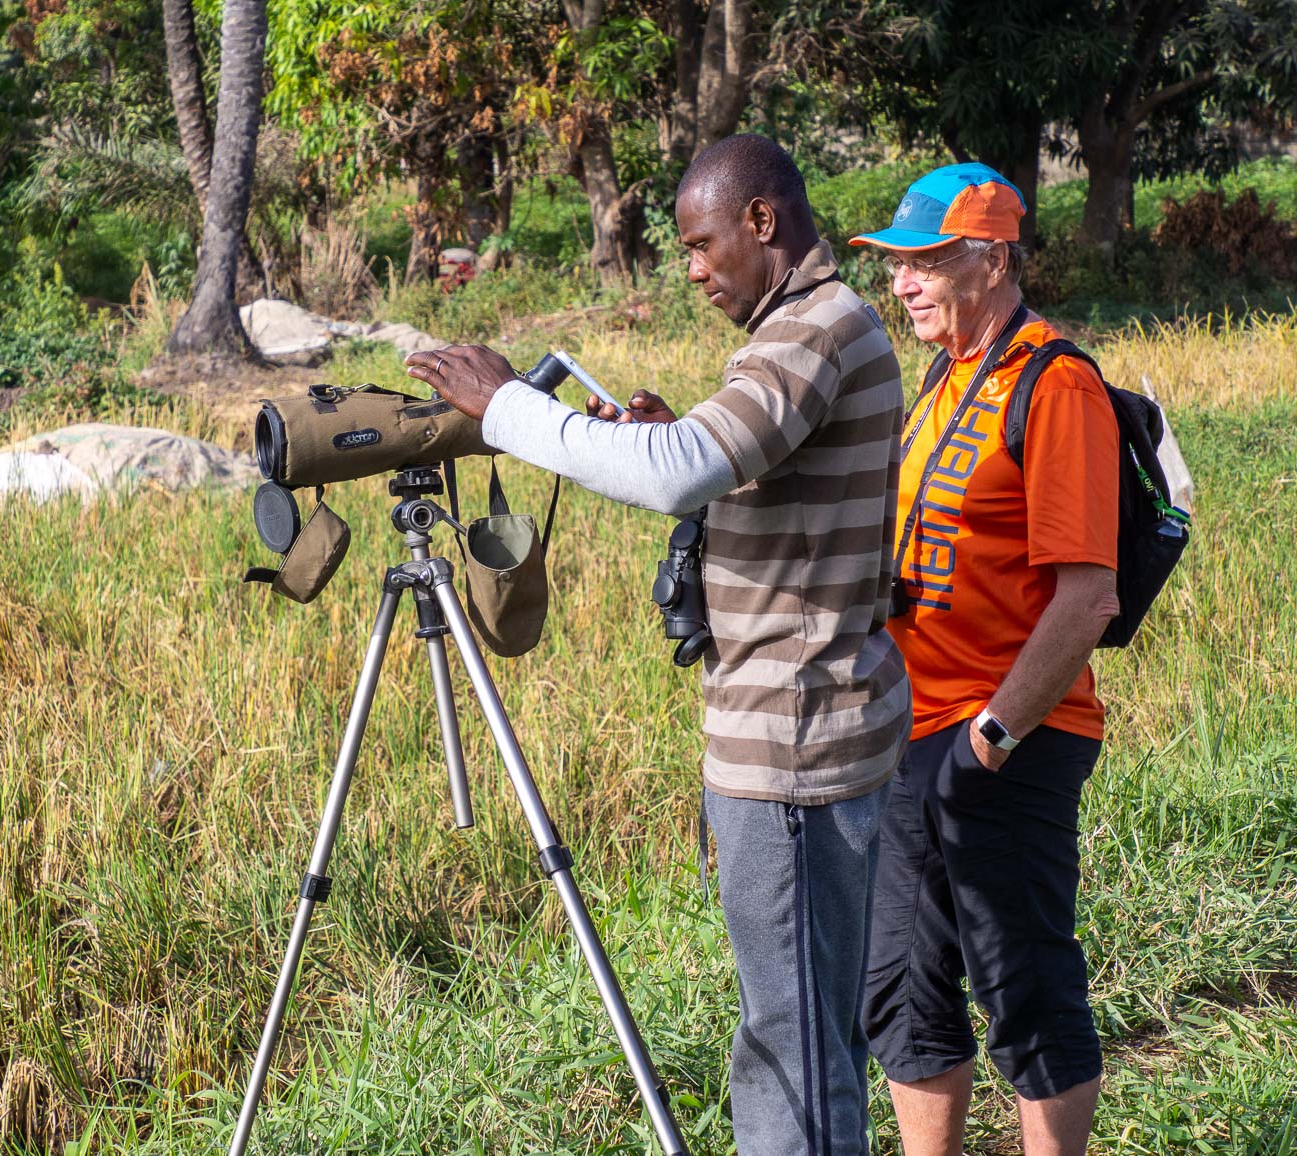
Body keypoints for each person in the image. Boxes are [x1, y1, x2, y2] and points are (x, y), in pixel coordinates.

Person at [405, 134, 911, 1156]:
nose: (690, 269)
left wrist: (507, 409)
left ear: (761, 221)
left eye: (698, 244)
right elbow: (753, 478)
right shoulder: (814, 326)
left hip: (794, 746)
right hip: (806, 728)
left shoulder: (811, 329)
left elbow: (677, 471)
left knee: (792, 1050)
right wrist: (666, 433)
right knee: (807, 1032)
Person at [848, 163, 1120, 1155]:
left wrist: (990, 740)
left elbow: (1087, 595)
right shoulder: (943, 375)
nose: (903, 283)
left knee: (1027, 990)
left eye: (925, 262)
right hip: (907, 735)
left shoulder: (1056, 383)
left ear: (993, 259)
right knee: (904, 989)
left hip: (1007, 735)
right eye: (895, 265)